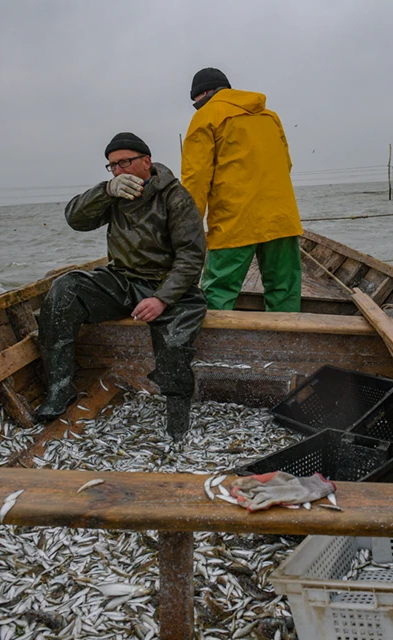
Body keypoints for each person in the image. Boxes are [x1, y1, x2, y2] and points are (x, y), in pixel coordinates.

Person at [37, 132, 208, 442]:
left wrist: (161, 299)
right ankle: (59, 389)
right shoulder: (114, 193)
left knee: (175, 335)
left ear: (146, 161)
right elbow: (75, 219)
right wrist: (105, 191)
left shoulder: (176, 197)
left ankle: (177, 410)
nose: (118, 170)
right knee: (65, 288)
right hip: (123, 280)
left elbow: (191, 256)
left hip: (168, 284)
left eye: (124, 162)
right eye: (112, 166)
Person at [182, 67, 303, 312]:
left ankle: (214, 346)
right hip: (282, 219)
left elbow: (196, 179)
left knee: (219, 292)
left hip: (234, 221)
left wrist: (187, 227)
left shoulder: (206, 116)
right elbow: (286, 163)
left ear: (203, 94)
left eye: (195, 101)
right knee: (284, 289)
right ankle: (286, 344)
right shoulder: (270, 116)